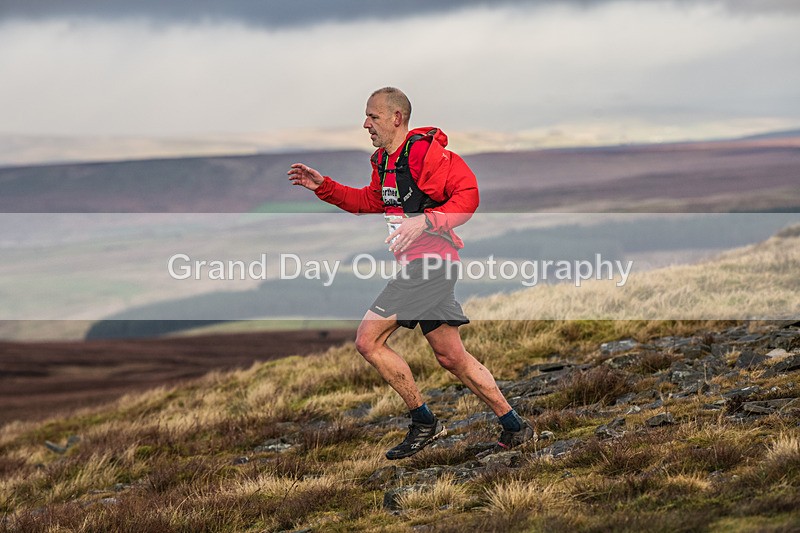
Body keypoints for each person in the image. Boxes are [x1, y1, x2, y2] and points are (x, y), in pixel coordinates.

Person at [287, 87, 534, 459]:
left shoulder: (424, 154)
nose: (365, 123)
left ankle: (424, 422)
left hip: (429, 266)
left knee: (368, 341)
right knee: (452, 357)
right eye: (366, 116)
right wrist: (324, 187)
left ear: (396, 118)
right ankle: (515, 426)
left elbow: (468, 195)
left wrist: (428, 221)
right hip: (424, 267)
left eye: (373, 116)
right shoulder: (385, 163)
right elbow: (368, 202)